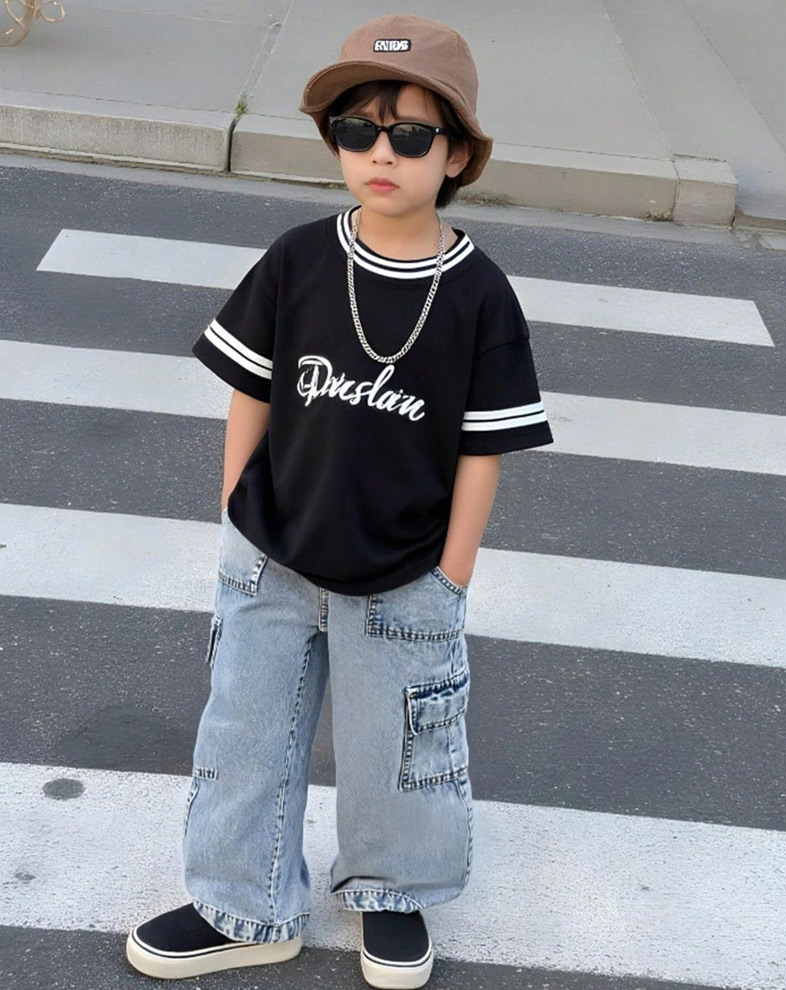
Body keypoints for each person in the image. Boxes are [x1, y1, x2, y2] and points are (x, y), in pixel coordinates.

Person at [125, 12, 553, 990]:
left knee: (397, 750)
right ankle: (244, 904)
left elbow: (484, 447)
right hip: (273, 554)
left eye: (411, 134)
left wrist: (452, 574)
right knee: (243, 738)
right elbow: (251, 386)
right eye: (357, 130)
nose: (380, 153)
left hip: (404, 573)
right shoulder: (300, 258)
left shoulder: (479, 294)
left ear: (458, 154)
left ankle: (391, 894)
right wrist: (235, 510)